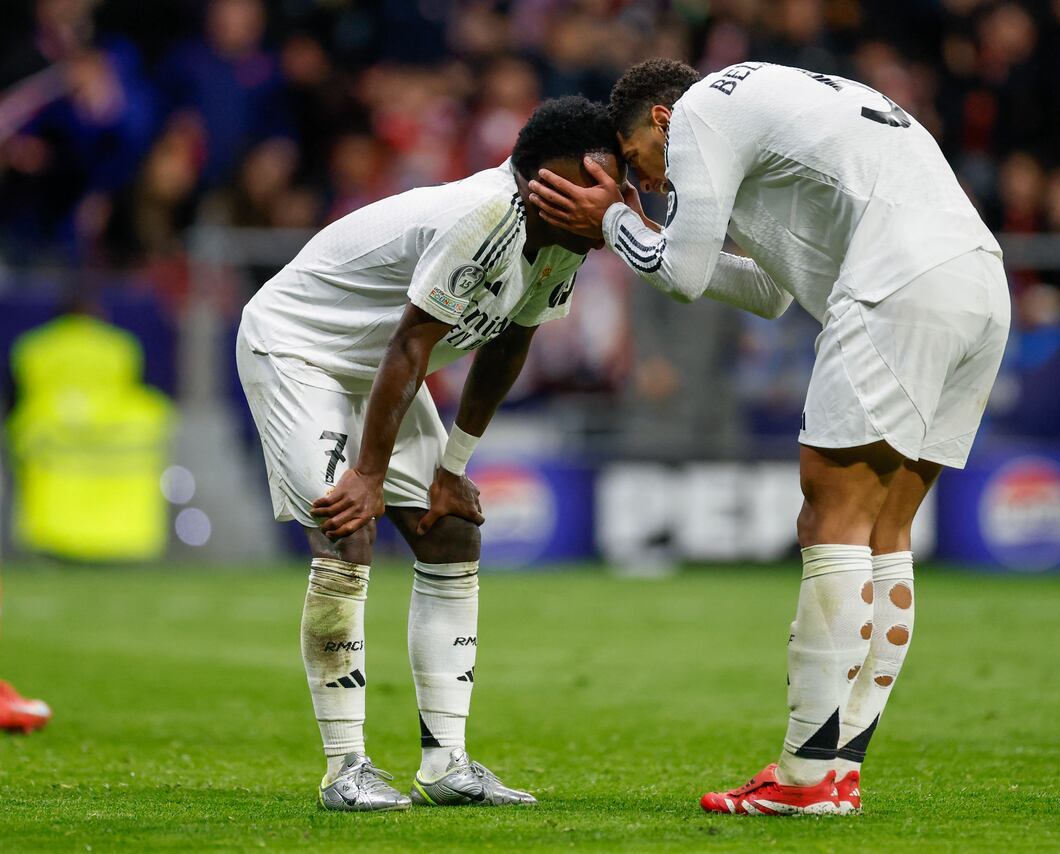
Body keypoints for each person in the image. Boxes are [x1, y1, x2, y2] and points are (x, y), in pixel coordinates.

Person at [529, 60, 1008, 816]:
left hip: (898, 283)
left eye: (634, 159)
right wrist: (642, 229)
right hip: (977, 284)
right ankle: (837, 771)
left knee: (830, 518)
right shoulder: (768, 111)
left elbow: (681, 277)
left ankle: (805, 776)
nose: (641, 180)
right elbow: (768, 291)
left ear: (660, 119)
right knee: (886, 532)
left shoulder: (700, 114)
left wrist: (613, 222)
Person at [236, 96, 621, 811]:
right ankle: (345, 769)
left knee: (450, 530)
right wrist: (368, 475)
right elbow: (412, 343)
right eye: (600, 177)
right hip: (301, 349)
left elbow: (509, 343)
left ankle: (447, 765)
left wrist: (453, 468)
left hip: (378, 367)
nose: (613, 198)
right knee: (346, 527)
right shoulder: (486, 215)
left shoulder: (565, 238)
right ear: (552, 176)